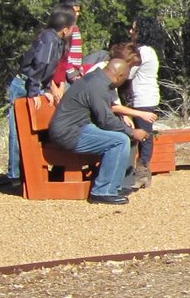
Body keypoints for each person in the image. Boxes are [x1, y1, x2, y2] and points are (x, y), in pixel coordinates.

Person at [48, 50, 149, 206]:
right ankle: (103, 191)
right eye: (125, 79)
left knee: (121, 137)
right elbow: (105, 120)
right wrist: (132, 132)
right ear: (119, 76)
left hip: (76, 128)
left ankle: (115, 186)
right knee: (120, 140)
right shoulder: (98, 86)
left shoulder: (96, 79)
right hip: (69, 133)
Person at [4, 8, 75, 186]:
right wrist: (34, 92)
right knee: (18, 130)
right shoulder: (49, 39)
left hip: (37, 85)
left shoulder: (56, 41)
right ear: (65, 29)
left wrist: (47, 89)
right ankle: (15, 175)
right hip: (25, 85)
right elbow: (40, 64)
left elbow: (49, 69)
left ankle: (26, 173)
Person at [122, 16, 166, 186]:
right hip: (144, 97)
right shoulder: (146, 51)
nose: (130, 31)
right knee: (141, 134)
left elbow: (128, 73)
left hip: (143, 99)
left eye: (134, 29)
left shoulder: (144, 52)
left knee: (144, 135)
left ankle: (143, 171)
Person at [50, 0, 85, 87]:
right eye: (75, 11)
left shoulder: (73, 28)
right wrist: (73, 75)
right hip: (65, 76)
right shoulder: (65, 30)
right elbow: (64, 57)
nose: (78, 14)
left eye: (78, 11)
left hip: (72, 73)